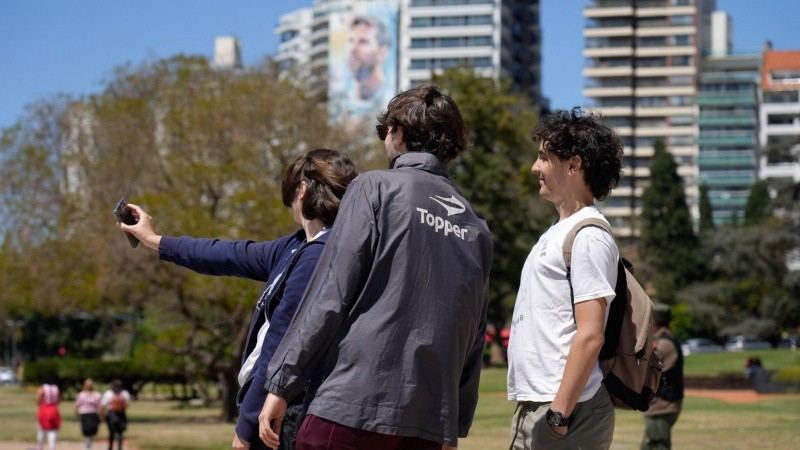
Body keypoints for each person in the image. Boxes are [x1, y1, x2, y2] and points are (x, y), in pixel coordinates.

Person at [258, 85, 493, 450]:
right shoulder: (475, 226)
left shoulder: (374, 188)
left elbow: (329, 295)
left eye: (386, 129)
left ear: (397, 132)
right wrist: (455, 424)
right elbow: (473, 332)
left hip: (351, 407)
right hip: (427, 422)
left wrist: (281, 383)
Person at [118, 149, 358, 450]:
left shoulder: (317, 256)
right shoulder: (298, 245)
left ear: (302, 189)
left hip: (281, 417)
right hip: (274, 411)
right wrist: (155, 240)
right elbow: (229, 254)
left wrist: (246, 427)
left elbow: (278, 345)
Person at [506, 107, 623, 449]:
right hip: (547, 404)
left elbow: (590, 335)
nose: (535, 167)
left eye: (544, 157)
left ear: (573, 165)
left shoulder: (588, 235)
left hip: (566, 411)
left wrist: (558, 415)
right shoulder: (560, 231)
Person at [642, 304, 684, 450]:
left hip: (663, 405)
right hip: (661, 404)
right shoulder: (666, 339)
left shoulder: (664, 344)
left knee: (657, 445)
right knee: (649, 445)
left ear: (653, 322)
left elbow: (647, 367)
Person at [101, 379, 130, 450]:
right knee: (120, 432)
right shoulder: (125, 393)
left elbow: (103, 405)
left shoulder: (108, 393)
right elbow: (127, 404)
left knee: (111, 432)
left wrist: (103, 415)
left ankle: (110, 447)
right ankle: (119, 447)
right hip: (121, 414)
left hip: (112, 414)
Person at [75, 378, 103, 450]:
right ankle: (88, 447)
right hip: (86, 414)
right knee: (87, 432)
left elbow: (100, 406)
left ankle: (88, 446)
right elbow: (78, 405)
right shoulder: (81, 394)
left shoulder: (96, 394)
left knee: (92, 431)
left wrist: (101, 414)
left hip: (92, 414)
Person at [35, 378, 61, 450]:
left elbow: (38, 399)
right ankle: (52, 448)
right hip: (54, 409)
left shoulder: (42, 388)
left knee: (41, 429)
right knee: (52, 430)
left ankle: (39, 446)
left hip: (44, 409)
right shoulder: (56, 388)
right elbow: (59, 400)